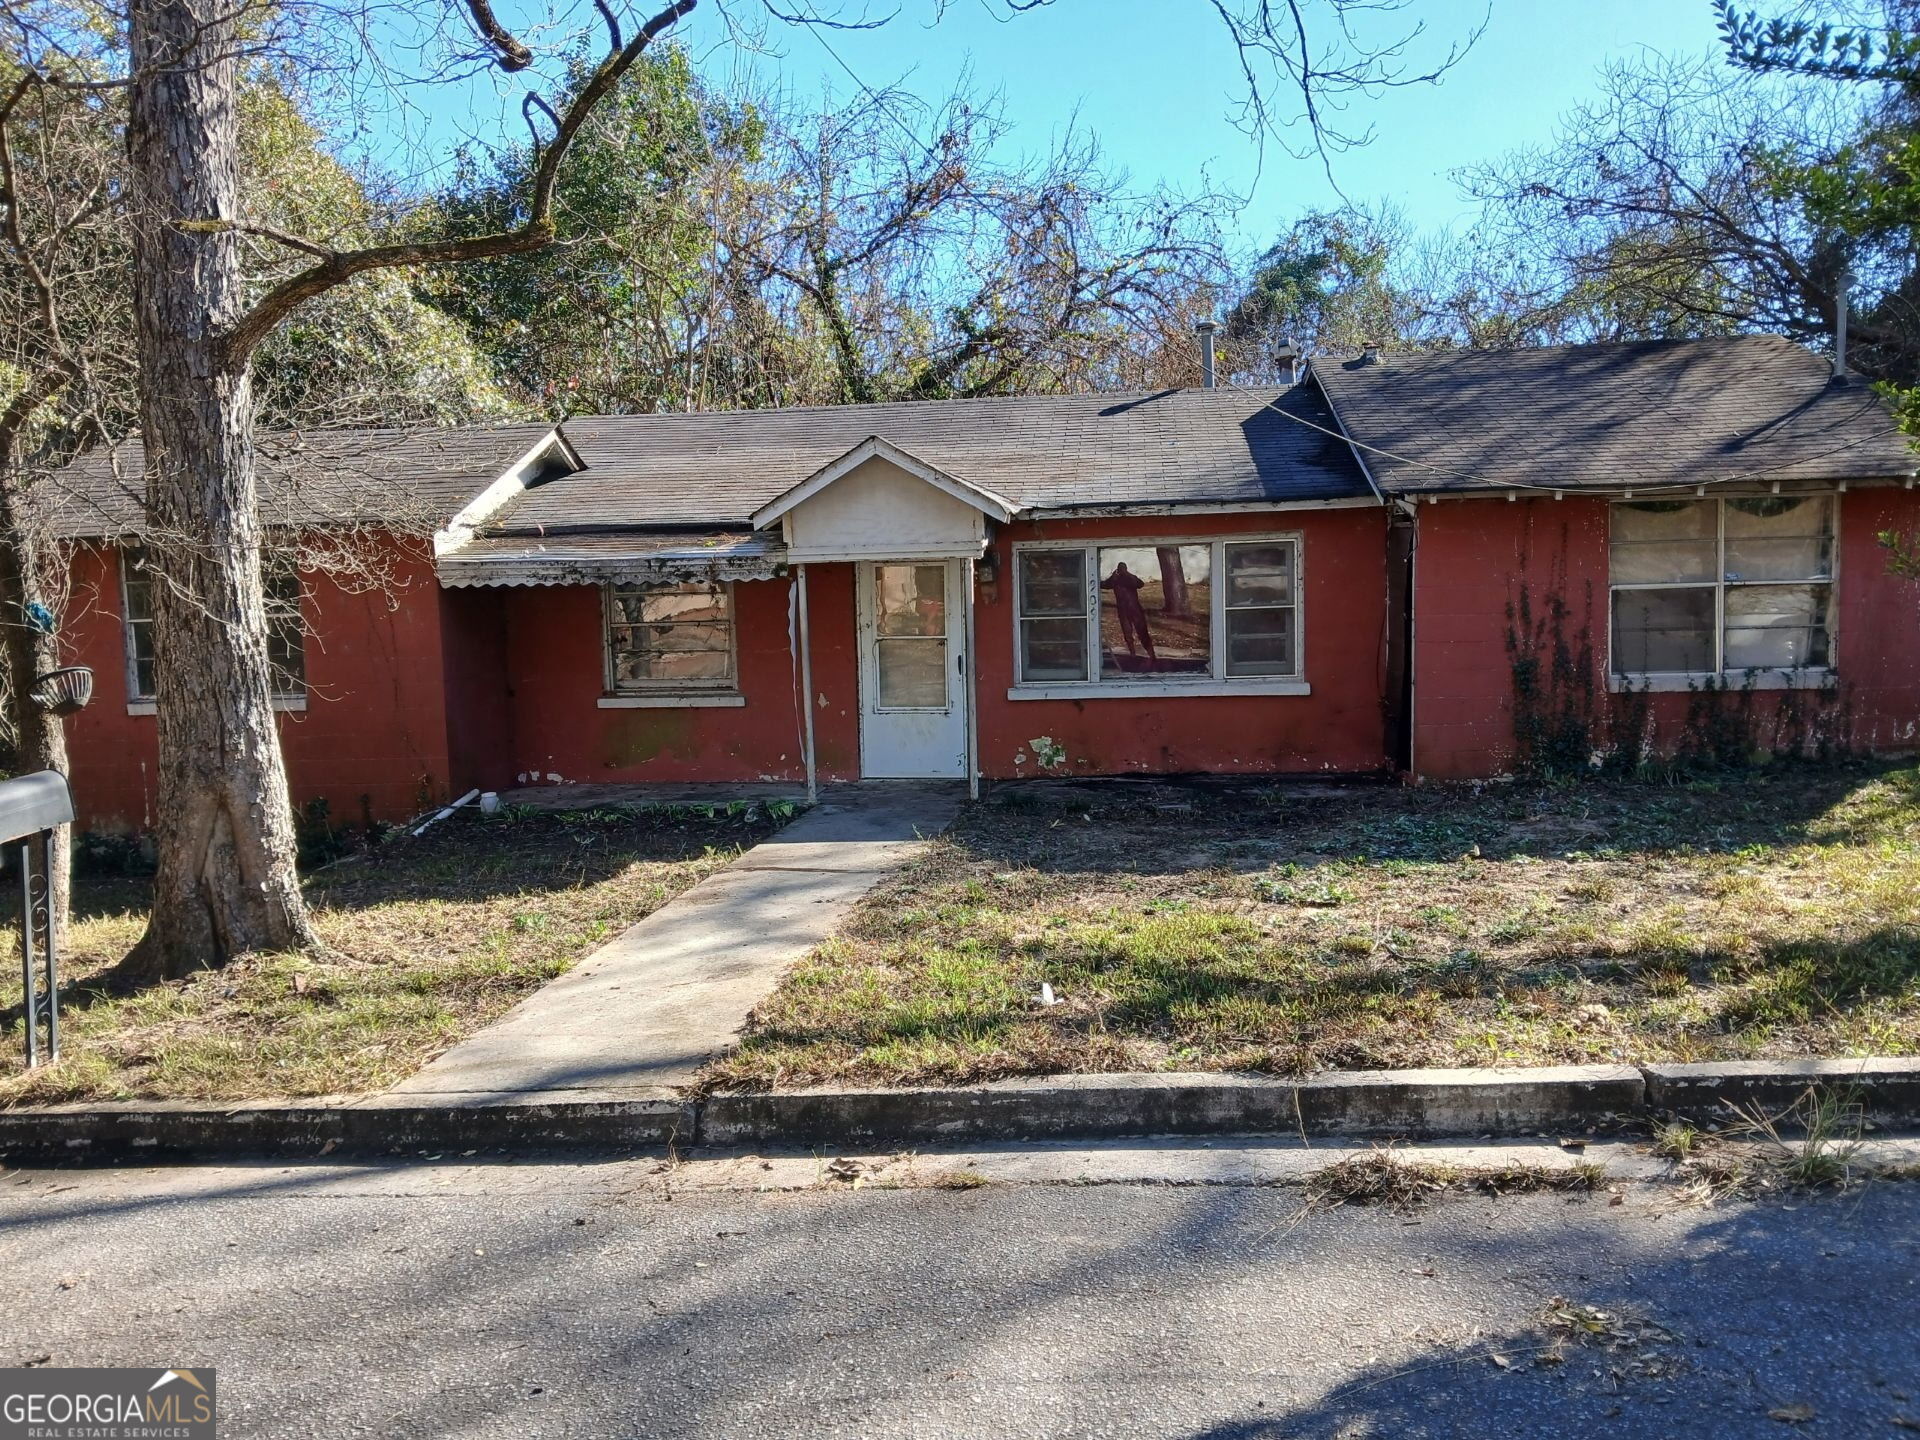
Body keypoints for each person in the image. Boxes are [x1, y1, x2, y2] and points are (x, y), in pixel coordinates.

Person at [1101, 562, 1157, 662]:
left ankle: (1151, 655)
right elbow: (1104, 585)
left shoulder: (1130, 578)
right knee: (1127, 633)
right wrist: (1113, 577)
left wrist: (1127, 575)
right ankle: (1133, 654)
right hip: (1124, 610)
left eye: (1122, 569)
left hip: (1135, 609)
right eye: (1120, 569)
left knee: (1142, 632)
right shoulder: (1115, 580)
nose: (1121, 571)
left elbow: (1140, 584)